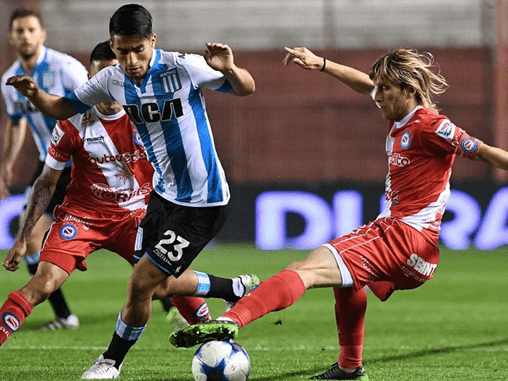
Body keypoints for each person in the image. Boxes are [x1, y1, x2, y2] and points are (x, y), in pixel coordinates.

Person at [168, 46, 508, 380]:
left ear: (409, 89)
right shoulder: (400, 114)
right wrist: (322, 64)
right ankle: (349, 366)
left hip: (403, 237)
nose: (378, 96)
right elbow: (366, 85)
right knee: (346, 279)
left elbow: (486, 153)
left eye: (386, 89)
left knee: (307, 268)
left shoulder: (431, 126)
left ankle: (230, 320)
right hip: (412, 247)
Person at [5, 4, 256, 379]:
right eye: (122, 52)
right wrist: (36, 95)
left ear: (152, 41)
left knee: (144, 282)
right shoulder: (111, 81)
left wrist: (230, 68)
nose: (131, 60)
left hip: (201, 201)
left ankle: (111, 362)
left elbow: (245, 89)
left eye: (138, 49)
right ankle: (230, 289)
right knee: (158, 283)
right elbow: (60, 109)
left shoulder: (182, 67)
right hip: (157, 198)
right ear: (113, 47)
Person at [0, 8, 88, 330]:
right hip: (49, 165)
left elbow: (96, 109)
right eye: (18, 31)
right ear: (11, 37)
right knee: (30, 240)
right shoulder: (9, 80)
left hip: (86, 162)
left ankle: (170, 301)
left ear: (42, 35)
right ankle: (65, 316)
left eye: (30, 30)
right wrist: (6, 165)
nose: (24, 35)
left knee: (130, 235)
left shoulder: (66, 69)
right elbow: (15, 123)